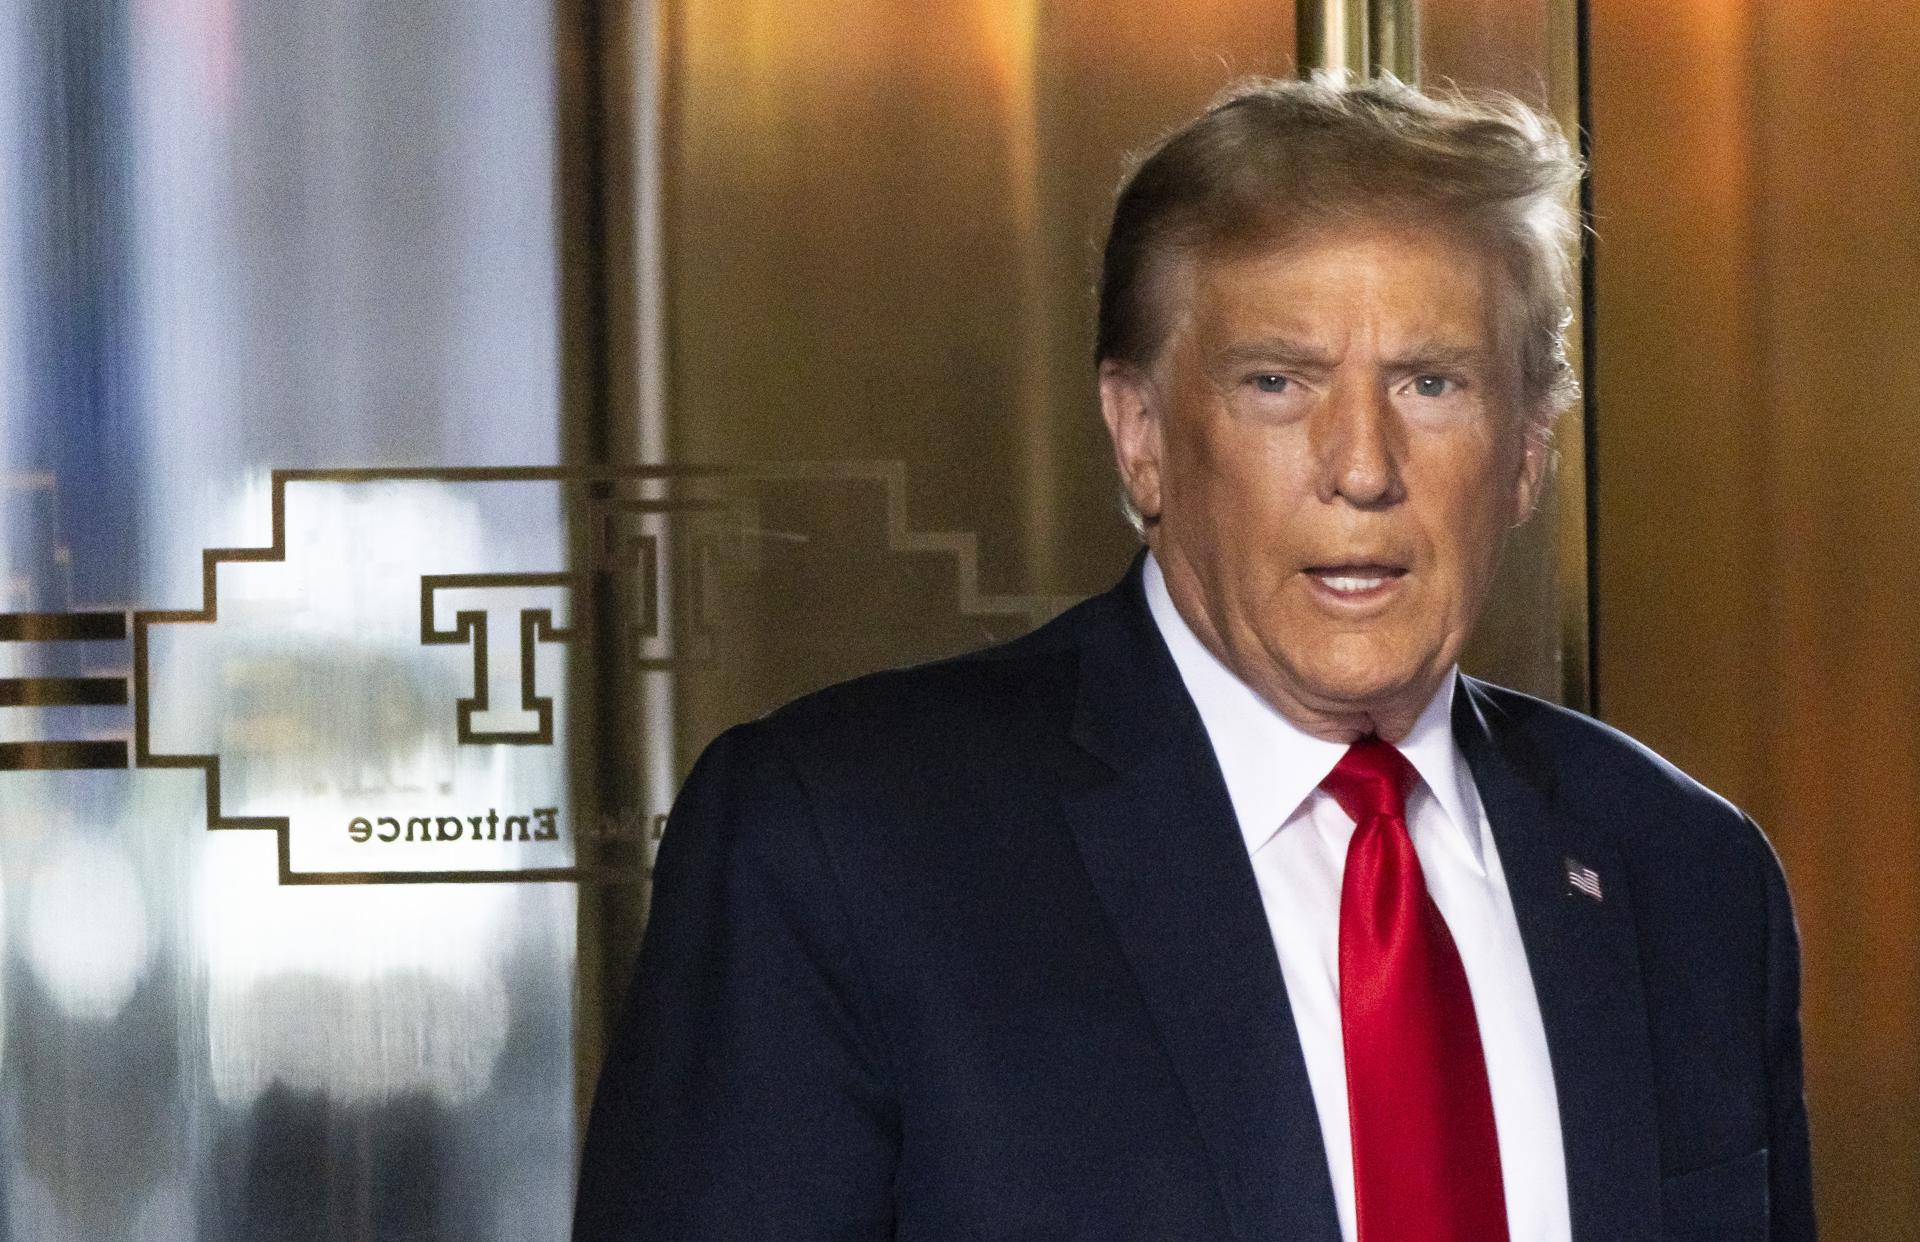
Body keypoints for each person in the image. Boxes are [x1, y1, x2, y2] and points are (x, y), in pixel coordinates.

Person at [573, 74, 1815, 1242]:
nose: (1363, 467)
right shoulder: (842, 847)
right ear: (1141, 436)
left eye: (1432, 384)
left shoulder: (1689, 878)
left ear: (1530, 451)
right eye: (1278, 382)